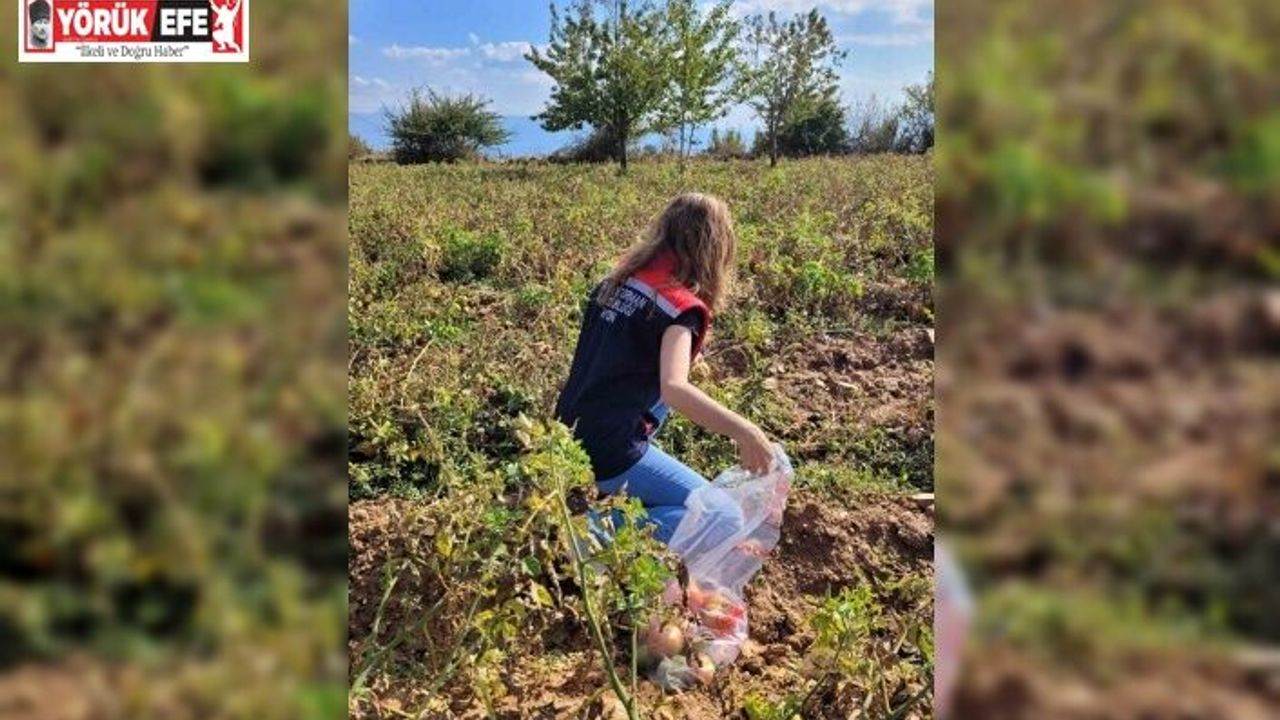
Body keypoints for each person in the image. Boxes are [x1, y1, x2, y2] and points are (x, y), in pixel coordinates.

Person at [555, 193, 774, 546]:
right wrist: (746, 431)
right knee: (723, 517)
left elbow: (616, 348)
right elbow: (674, 389)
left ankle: (598, 509)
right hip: (609, 447)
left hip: (567, 432)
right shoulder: (680, 307)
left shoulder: (615, 281)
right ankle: (590, 532)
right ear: (713, 248)